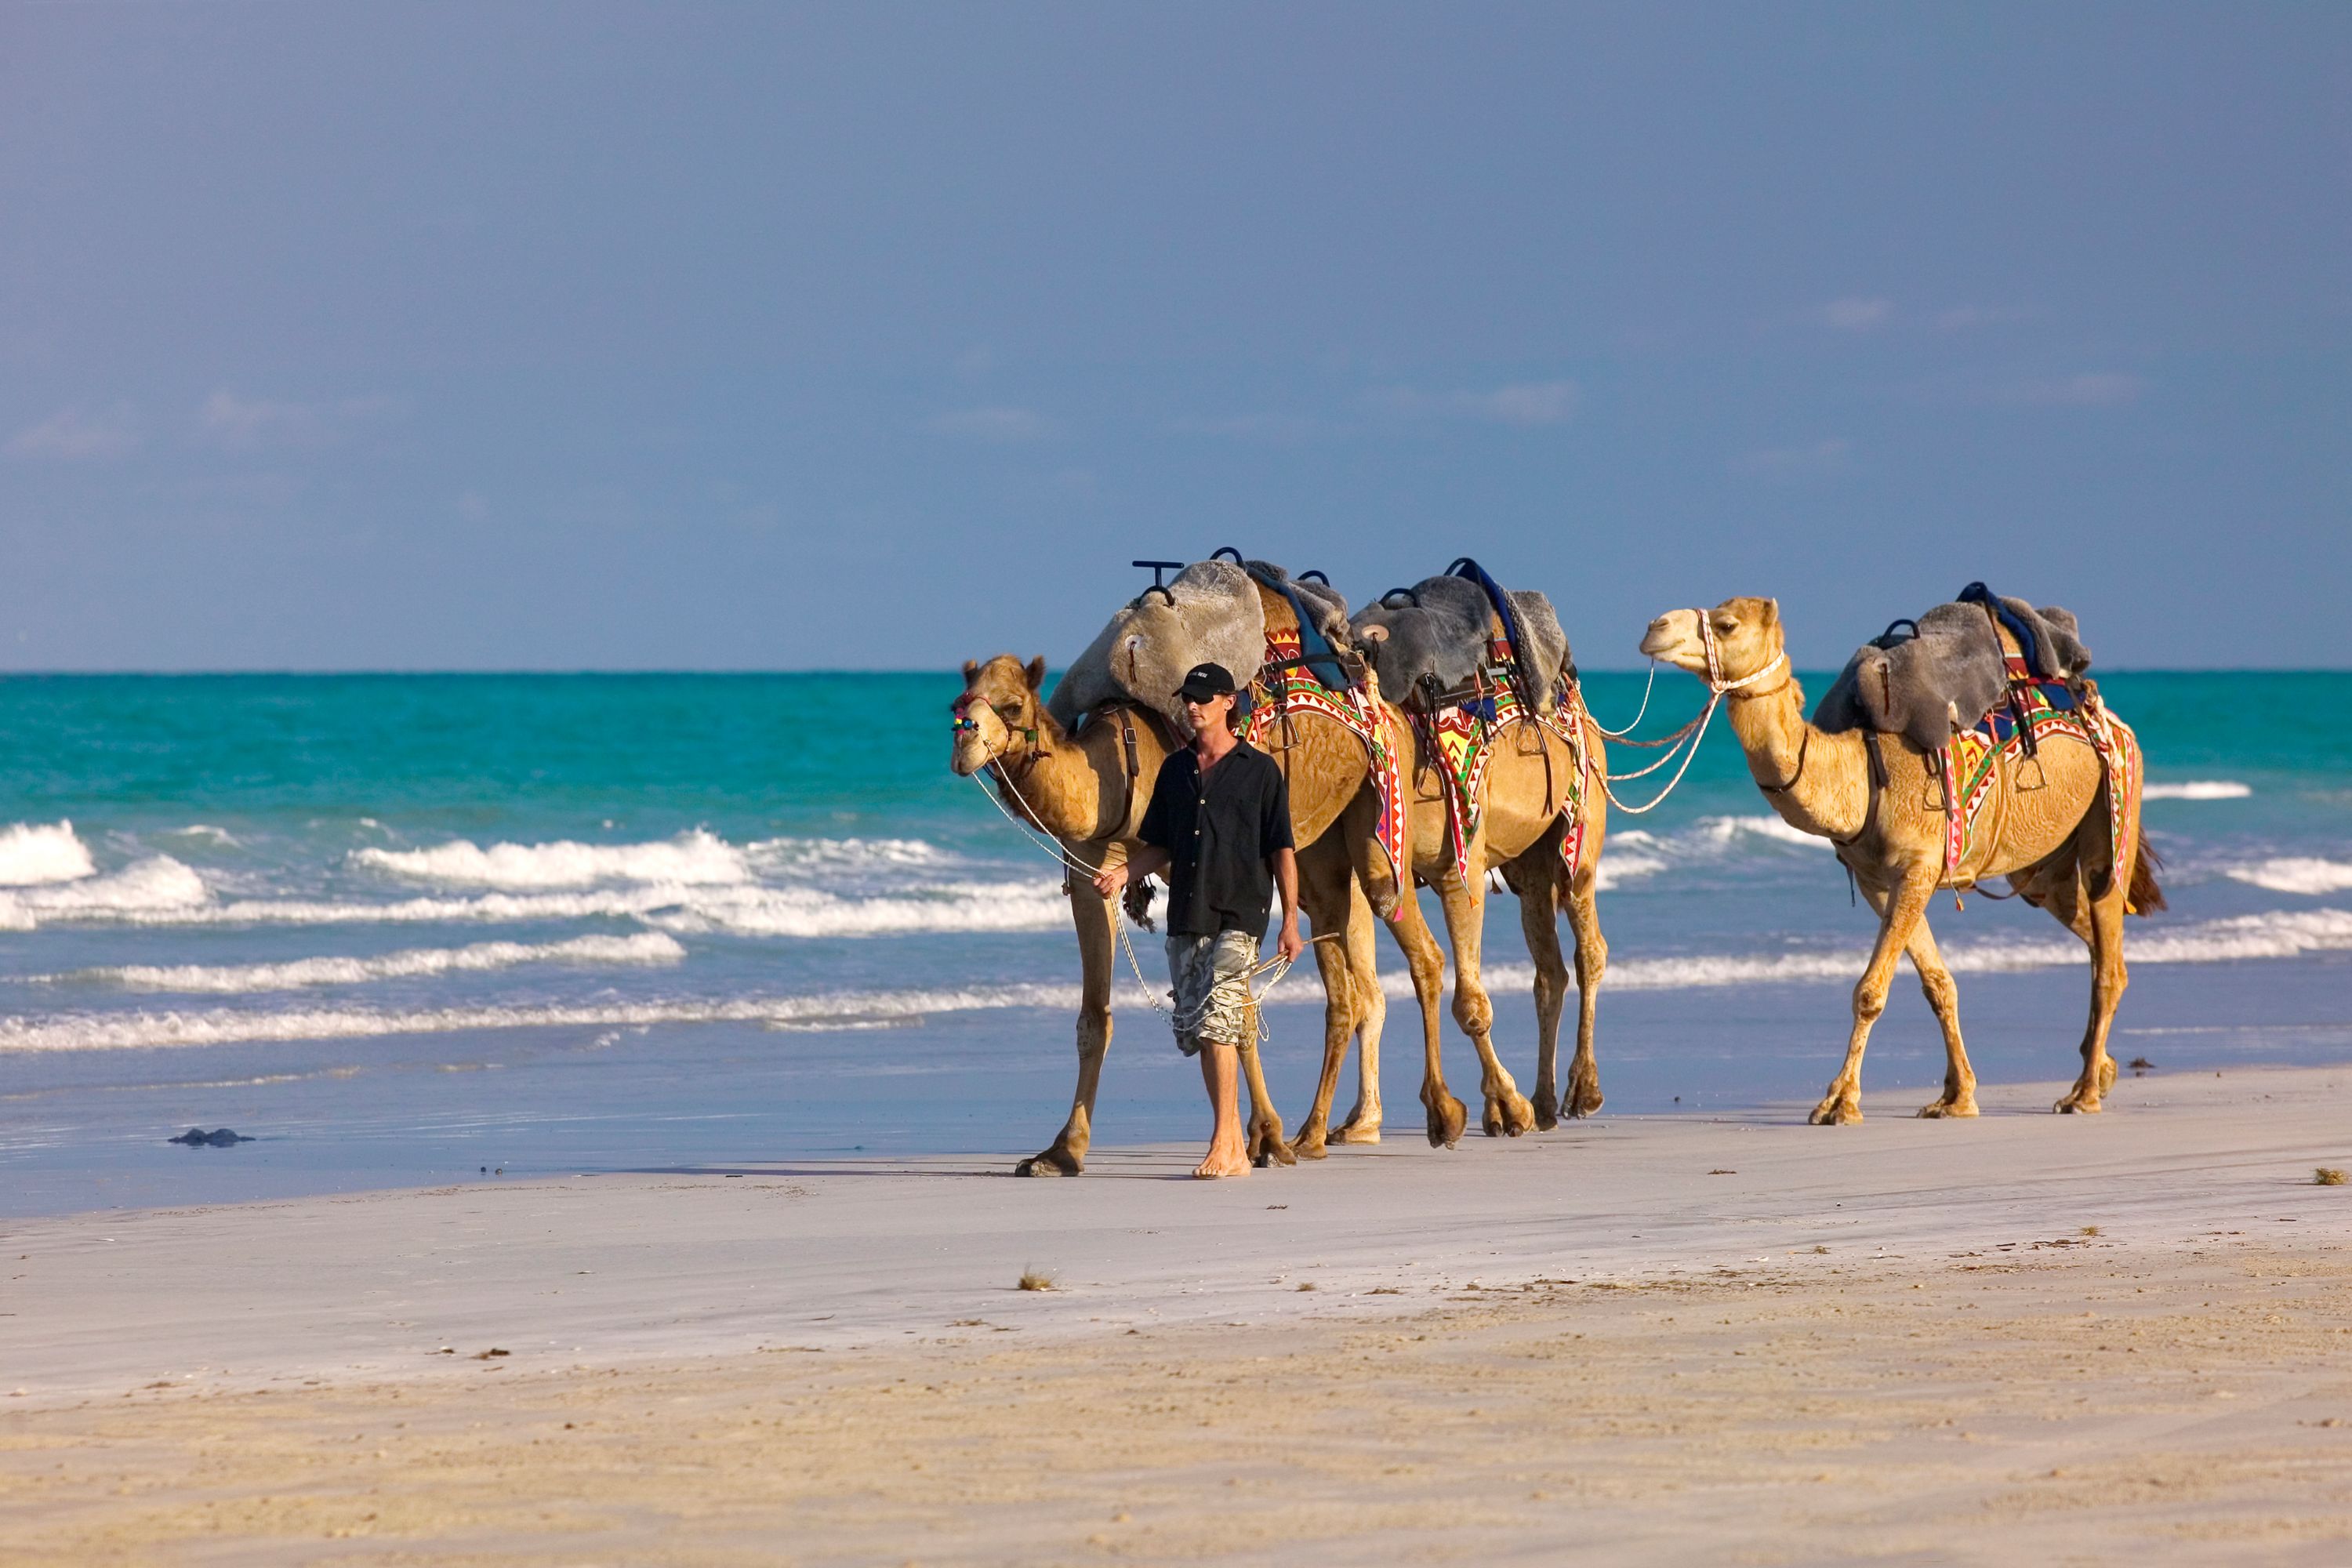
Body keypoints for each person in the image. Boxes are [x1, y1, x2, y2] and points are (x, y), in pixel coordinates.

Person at [1094, 661, 1305, 1178]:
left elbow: (1282, 849)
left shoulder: (1260, 771)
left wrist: (1291, 921)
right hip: (1188, 912)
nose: (1192, 706)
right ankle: (1232, 1138)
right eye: (1187, 698)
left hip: (1241, 912)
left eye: (1203, 698)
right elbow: (1161, 844)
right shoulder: (1175, 770)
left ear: (1229, 702)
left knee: (1218, 1023)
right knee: (1198, 1032)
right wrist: (1124, 873)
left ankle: (1222, 1142)